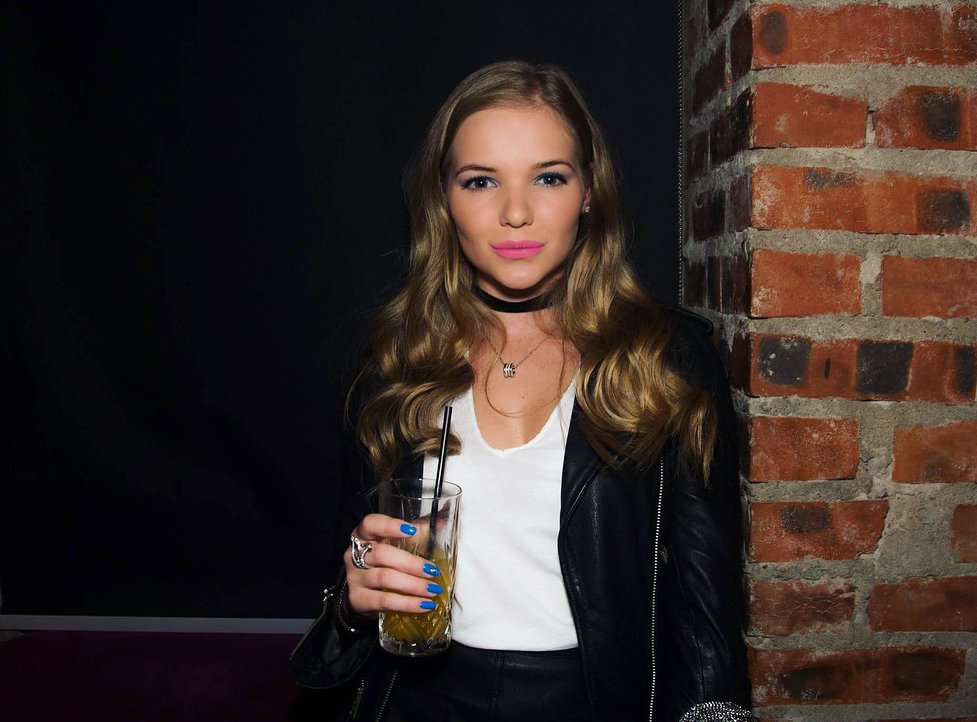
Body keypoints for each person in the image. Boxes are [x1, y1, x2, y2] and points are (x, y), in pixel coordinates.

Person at [288, 60, 750, 722]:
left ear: (588, 192)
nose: (515, 213)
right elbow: (351, 575)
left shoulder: (663, 358)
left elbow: (707, 614)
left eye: (548, 177)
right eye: (481, 181)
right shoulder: (396, 362)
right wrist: (355, 602)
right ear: (443, 199)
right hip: (417, 699)